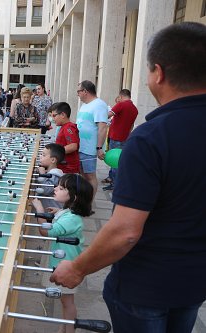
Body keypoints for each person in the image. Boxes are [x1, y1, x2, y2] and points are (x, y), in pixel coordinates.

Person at [50, 22, 206, 333]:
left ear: (158, 73)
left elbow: (126, 232)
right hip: (194, 283)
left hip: (145, 287)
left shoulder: (151, 138)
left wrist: (78, 269)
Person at [32, 174, 93, 333]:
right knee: (64, 300)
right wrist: (58, 212)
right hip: (61, 261)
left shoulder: (72, 218)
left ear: (74, 196)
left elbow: (46, 232)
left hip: (66, 265)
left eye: (61, 188)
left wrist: (39, 210)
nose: (55, 189)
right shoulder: (68, 212)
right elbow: (64, 218)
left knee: (67, 302)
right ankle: (63, 326)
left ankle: (69, 330)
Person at [75, 80, 108, 197]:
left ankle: (89, 203)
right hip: (80, 146)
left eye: (78, 91)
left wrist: (99, 148)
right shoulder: (85, 105)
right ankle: (83, 199)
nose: (77, 94)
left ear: (85, 91)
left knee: (90, 176)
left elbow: (102, 127)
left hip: (89, 148)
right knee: (83, 175)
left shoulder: (99, 105)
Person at [103, 89, 138, 191]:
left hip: (115, 137)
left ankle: (115, 183)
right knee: (118, 160)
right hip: (124, 137)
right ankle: (112, 178)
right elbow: (131, 125)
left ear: (121, 96)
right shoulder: (135, 109)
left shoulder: (121, 105)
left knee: (114, 161)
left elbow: (107, 115)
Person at [51, 102, 80, 174]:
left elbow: (73, 146)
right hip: (64, 166)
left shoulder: (68, 127)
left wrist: (53, 153)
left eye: (54, 116)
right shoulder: (64, 126)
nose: (52, 119)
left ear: (63, 115)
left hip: (68, 168)